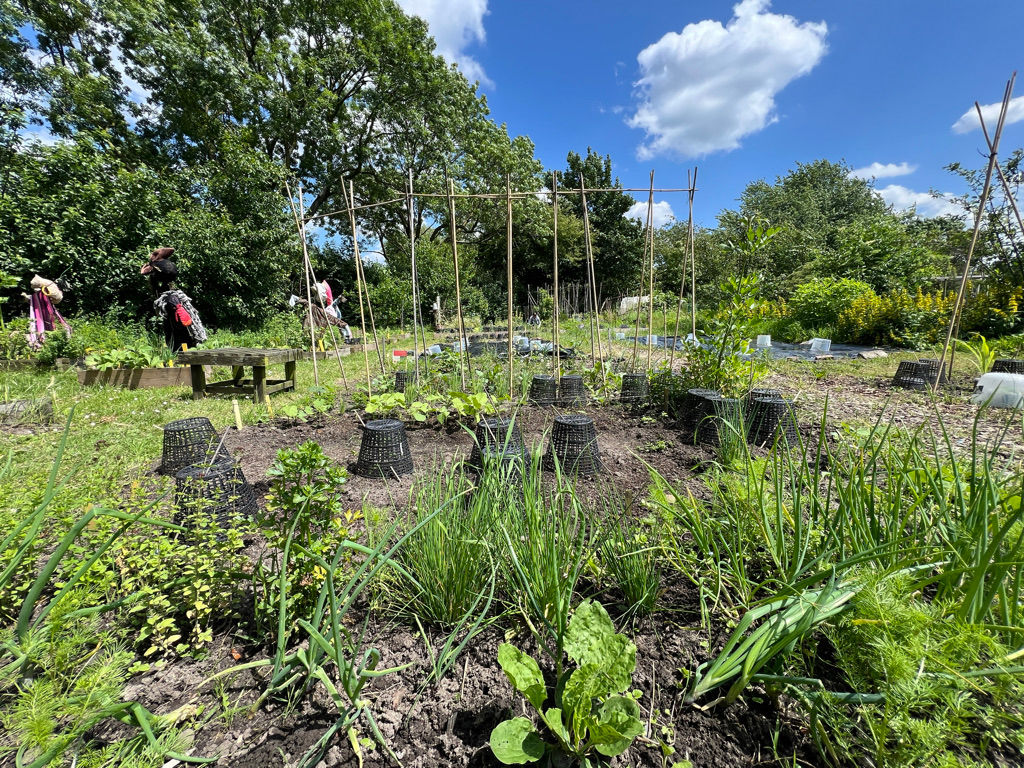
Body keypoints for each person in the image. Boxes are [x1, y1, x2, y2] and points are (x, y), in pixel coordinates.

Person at [140, 247, 207, 351]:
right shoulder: (176, 297)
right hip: (184, 346)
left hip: (183, 349)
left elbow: (182, 326)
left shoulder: (168, 300)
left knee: (177, 335)